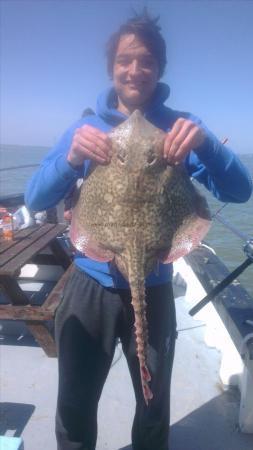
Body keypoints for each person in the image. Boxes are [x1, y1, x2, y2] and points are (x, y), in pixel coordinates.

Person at [25, 12, 252, 450]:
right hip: (90, 286)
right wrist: (70, 159)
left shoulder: (181, 130)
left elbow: (240, 191)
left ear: (159, 69)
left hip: (155, 284)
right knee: (74, 405)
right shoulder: (86, 128)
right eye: (126, 60)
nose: (135, 70)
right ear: (113, 67)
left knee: (153, 411)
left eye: (146, 61)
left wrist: (204, 143)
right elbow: (35, 199)